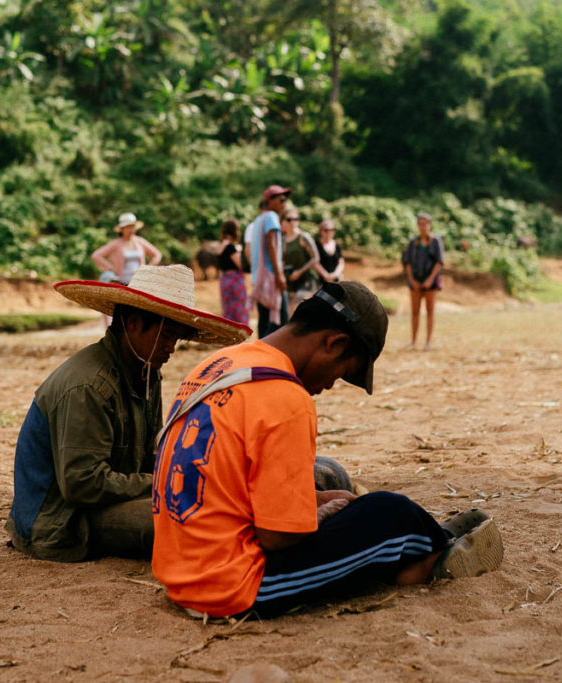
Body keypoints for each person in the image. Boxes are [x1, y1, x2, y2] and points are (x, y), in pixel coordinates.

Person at [151, 282, 503, 618]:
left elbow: (231, 476)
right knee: (390, 512)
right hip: (231, 584)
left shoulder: (223, 364)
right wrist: (318, 517)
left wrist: (318, 501)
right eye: (342, 372)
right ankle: (428, 557)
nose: (332, 384)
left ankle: (422, 541)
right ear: (333, 344)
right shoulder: (286, 397)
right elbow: (277, 538)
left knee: (327, 476)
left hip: (181, 568)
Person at [5, 265, 250, 562]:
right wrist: (159, 481)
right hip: (62, 520)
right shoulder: (89, 386)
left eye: (176, 339)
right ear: (133, 324)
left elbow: (151, 455)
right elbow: (83, 484)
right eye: (166, 336)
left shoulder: (146, 371)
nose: (171, 348)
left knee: (215, 494)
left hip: (107, 499)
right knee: (195, 518)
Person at [249, 185, 291, 339]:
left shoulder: (259, 219)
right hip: (271, 279)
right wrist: (279, 275)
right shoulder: (272, 217)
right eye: (281, 199)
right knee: (281, 322)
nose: (284, 203)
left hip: (259, 281)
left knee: (265, 322)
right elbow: (271, 244)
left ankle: (261, 357)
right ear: (270, 200)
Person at [402, 212, 444, 351]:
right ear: (417, 225)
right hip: (415, 281)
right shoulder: (413, 242)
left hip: (431, 282)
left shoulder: (436, 241)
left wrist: (430, 279)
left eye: (425, 224)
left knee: (430, 311)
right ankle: (413, 342)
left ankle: (428, 342)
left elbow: (439, 262)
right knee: (415, 312)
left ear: (429, 225)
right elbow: (407, 262)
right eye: (420, 224)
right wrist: (412, 280)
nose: (422, 227)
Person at [91, 212, 162, 286]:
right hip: (121, 283)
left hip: (138, 283)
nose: (131, 230)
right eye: (128, 227)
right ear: (122, 229)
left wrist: (148, 268)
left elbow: (157, 254)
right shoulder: (115, 244)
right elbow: (96, 255)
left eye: (132, 227)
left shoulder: (140, 241)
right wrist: (110, 267)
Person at [280, 208, 322, 311]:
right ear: (282, 221)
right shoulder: (283, 240)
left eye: (296, 219)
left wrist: (299, 272)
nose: (293, 222)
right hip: (290, 278)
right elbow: (283, 260)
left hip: (306, 278)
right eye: (289, 219)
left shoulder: (303, 237)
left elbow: (315, 257)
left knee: (299, 306)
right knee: (289, 311)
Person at [217, 219, 249, 325]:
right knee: (238, 308)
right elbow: (240, 264)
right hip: (234, 280)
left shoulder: (220, 245)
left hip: (224, 280)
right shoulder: (230, 247)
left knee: (227, 308)